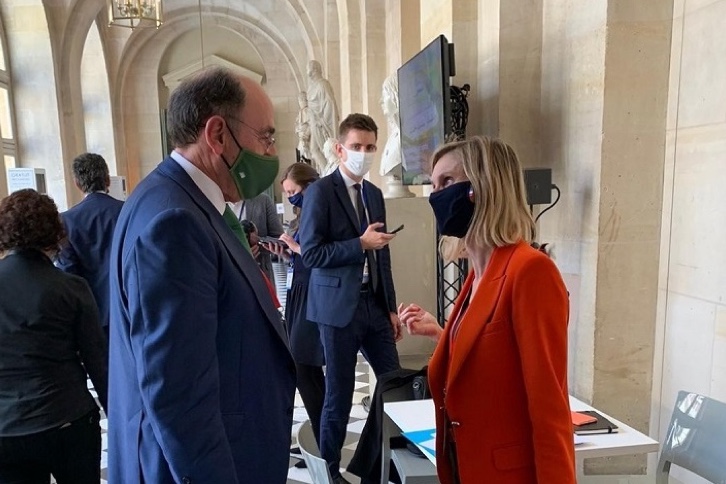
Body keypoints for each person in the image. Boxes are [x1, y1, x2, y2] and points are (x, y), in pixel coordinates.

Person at [107, 67, 296, 484]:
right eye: (266, 136)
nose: (271, 152)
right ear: (218, 134)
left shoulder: (179, 200)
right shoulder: (175, 220)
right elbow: (179, 395)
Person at [399, 135, 575, 483]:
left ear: (483, 185)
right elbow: (490, 360)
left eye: (447, 182)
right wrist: (441, 334)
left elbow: (549, 407)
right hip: (465, 465)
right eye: (433, 185)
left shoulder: (530, 270)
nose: (436, 195)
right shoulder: (476, 276)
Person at [299, 113, 403, 484]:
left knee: (395, 384)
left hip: (374, 305)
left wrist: (391, 307)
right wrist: (358, 244)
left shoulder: (374, 194)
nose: (364, 153)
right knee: (338, 398)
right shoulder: (320, 193)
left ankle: (381, 465)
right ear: (340, 149)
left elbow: (383, 255)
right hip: (337, 309)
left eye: (370, 147)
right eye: (357, 147)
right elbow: (310, 253)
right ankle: (329, 472)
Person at [0, 189, 108, 484]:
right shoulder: (71, 288)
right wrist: (118, 416)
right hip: (67, 418)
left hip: (6, 428)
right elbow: (97, 361)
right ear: (55, 233)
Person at [263, 162, 326, 453]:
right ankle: (321, 436)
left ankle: (325, 438)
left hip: (312, 294)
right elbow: (301, 261)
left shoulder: (322, 212)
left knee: (303, 365)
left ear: (309, 185)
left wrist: (299, 250)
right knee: (305, 369)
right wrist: (286, 254)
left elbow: (321, 258)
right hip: (297, 292)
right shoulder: (302, 216)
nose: (291, 198)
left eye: (293, 191)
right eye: (287, 193)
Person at [56, 152, 124, 341]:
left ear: (77, 183)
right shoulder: (127, 210)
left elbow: (68, 272)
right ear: (108, 180)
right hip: (128, 306)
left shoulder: (67, 220)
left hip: (92, 311)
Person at [227, 191, 284, 285]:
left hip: (260, 275)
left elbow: (279, 239)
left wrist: (258, 241)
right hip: (228, 278)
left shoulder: (262, 200)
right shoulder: (212, 202)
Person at [306, 60, 340, 171]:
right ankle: (326, 171)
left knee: (324, 149)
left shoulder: (323, 84)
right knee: (314, 150)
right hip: (314, 122)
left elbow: (329, 103)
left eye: (309, 69)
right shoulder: (313, 86)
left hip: (321, 122)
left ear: (315, 70)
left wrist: (322, 121)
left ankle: (329, 171)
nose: (308, 73)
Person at [379, 74, 402, 177]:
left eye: (385, 95)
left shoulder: (410, 137)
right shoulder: (392, 137)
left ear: (396, 96)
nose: (381, 101)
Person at [294, 91, 312, 163]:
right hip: (301, 137)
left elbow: (312, 124)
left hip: (307, 138)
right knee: (301, 154)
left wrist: (307, 134)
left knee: (308, 155)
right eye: (299, 100)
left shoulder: (308, 111)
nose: (300, 101)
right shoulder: (300, 112)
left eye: (302, 99)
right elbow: (296, 125)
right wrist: (298, 129)